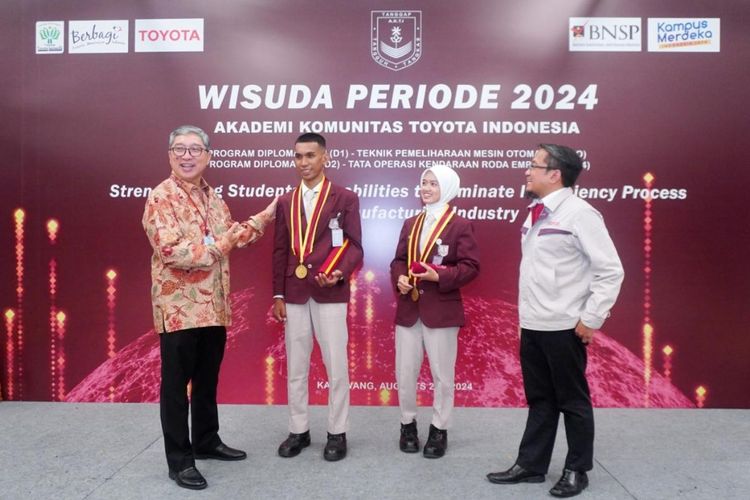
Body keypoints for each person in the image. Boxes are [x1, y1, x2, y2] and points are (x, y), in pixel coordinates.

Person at [143, 125, 276, 490]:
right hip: (179, 309)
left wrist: (268, 214)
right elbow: (172, 252)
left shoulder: (213, 197)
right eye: (180, 149)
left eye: (195, 149)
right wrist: (220, 246)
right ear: (170, 155)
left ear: (208, 156)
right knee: (176, 387)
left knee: (207, 379)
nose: (187, 156)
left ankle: (205, 440)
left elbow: (234, 234)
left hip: (214, 306)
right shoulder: (161, 197)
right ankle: (180, 461)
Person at [487, 144, 624, 497]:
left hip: (564, 327)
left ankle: (577, 469)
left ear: (555, 174)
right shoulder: (536, 213)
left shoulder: (581, 214)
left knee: (572, 402)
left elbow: (611, 271)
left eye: (534, 165)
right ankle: (531, 465)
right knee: (540, 399)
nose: (526, 171)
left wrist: (591, 318)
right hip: (533, 324)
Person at [272, 133, 363, 461]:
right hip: (294, 293)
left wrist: (338, 273)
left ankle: (337, 432)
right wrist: (278, 294)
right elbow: (280, 250)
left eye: (310, 155)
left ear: (325, 157)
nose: (303, 162)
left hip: (330, 291)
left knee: (336, 365)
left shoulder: (345, 197)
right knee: (296, 366)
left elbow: (355, 247)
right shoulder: (286, 201)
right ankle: (298, 429)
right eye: (298, 156)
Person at [390, 164, 480, 458]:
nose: (426, 188)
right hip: (409, 309)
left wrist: (438, 276)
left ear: (448, 188)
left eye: (433, 184)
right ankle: (407, 425)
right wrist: (400, 278)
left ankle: (439, 429)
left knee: (442, 375)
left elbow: (470, 267)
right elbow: (398, 261)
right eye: (424, 182)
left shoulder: (460, 225)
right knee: (405, 372)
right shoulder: (411, 223)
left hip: (441, 311)